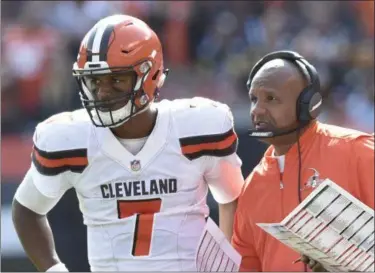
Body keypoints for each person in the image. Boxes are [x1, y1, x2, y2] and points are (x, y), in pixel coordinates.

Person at [12, 14, 245, 272]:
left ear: (150, 75)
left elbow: (233, 198)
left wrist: (227, 263)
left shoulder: (198, 127)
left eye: (116, 79)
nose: (102, 91)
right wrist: (54, 269)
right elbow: (26, 209)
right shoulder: (69, 138)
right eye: (95, 80)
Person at [231, 51, 374, 272]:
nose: (257, 110)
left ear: (308, 105)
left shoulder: (360, 153)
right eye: (254, 99)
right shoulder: (252, 186)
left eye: (271, 98)